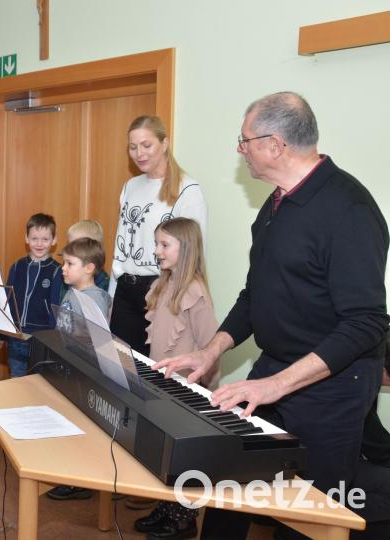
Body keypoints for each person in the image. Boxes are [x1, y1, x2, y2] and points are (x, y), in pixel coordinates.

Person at [156, 92, 388, 540]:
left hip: (332, 390)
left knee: (306, 516)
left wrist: (275, 385)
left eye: (244, 141)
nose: (239, 150)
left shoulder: (350, 211)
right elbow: (254, 293)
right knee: (228, 484)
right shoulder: (276, 202)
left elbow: (366, 323)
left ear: (274, 144)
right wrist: (210, 352)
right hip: (274, 372)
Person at [127, 218, 219, 540]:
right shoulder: (162, 285)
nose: (157, 251)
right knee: (164, 452)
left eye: (164, 245)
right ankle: (166, 508)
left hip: (189, 391)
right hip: (163, 385)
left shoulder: (195, 292)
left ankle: (183, 518)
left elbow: (211, 347)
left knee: (187, 459)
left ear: (187, 248)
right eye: (157, 244)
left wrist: (204, 390)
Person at [110, 116, 207, 357]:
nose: (139, 153)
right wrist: (112, 295)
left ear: (164, 144)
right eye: (133, 147)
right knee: (121, 372)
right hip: (125, 290)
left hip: (163, 291)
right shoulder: (130, 186)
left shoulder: (187, 190)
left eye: (146, 145)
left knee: (155, 375)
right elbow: (121, 246)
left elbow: (192, 255)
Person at [46, 236, 112, 502]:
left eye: (70, 263)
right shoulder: (73, 292)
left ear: (89, 268)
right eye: (64, 262)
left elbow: (96, 339)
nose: (63, 268)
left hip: (85, 371)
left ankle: (80, 481)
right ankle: (68, 473)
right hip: (68, 365)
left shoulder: (95, 298)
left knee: (80, 427)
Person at [5, 213, 62, 377]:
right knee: (17, 379)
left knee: (38, 383)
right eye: (34, 238)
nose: (39, 243)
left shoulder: (57, 271)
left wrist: (53, 339)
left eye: (45, 239)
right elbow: (7, 299)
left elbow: (55, 306)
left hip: (41, 339)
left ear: (54, 240)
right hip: (16, 336)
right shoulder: (17, 266)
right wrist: (2, 332)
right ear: (26, 238)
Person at [66, 219, 110, 291]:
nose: (69, 250)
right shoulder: (67, 273)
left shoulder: (103, 283)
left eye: (76, 246)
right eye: (69, 245)